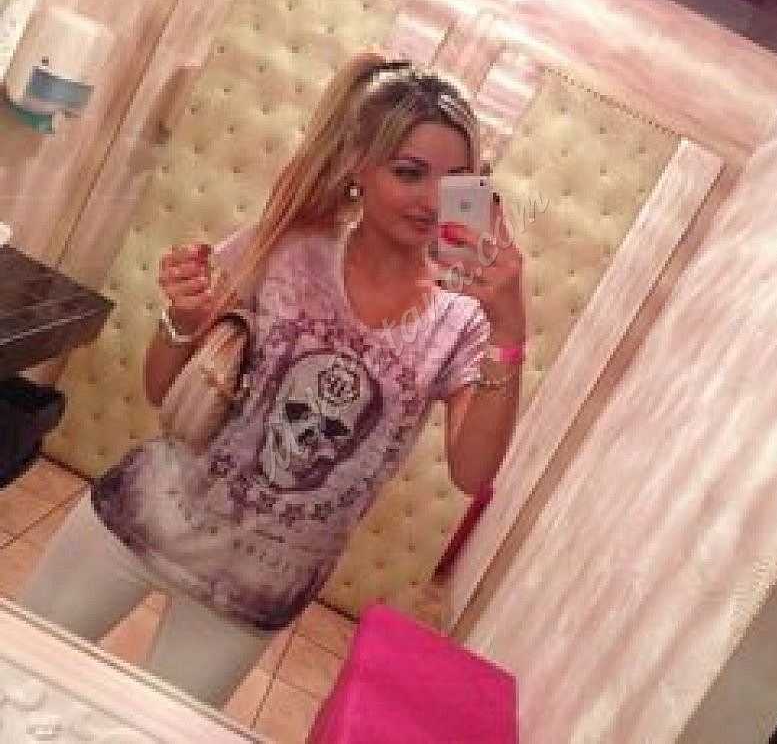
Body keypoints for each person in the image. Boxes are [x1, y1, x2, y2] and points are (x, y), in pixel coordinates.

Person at [20, 53, 527, 707]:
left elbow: (472, 472)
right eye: (409, 172)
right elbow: (162, 389)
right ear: (357, 165)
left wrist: (509, 329)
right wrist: (182, 322)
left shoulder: (460, 321)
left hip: (255, 588)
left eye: (457, 181)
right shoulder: (286, 247)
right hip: (144, 516)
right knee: (17, 682)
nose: (433, 201)